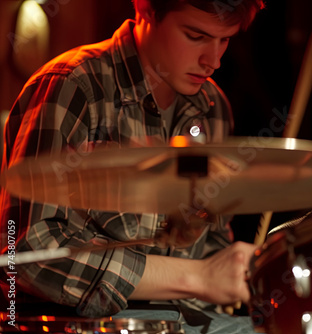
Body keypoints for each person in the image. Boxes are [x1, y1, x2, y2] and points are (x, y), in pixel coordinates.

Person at [0, 0, 265, 333]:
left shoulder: (212, 107)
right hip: (84, 323)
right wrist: (196, 278)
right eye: (195, 36)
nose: (213, 61)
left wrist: (243, 267)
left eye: (224, 40)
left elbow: (209, 242)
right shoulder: (73, 85)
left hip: (185, 318)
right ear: (147, 10)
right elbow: (24, 254)